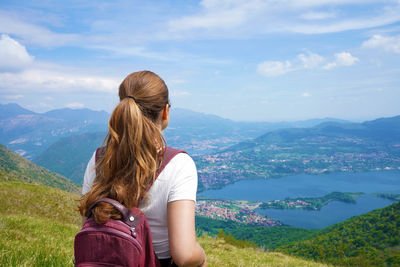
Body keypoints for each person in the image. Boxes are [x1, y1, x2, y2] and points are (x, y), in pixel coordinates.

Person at [78, 71, 207, 267]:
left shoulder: (98, 159)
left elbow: (88, 226)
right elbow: (185, 255)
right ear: (165, 111)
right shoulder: (179, 164)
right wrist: (202, 256)